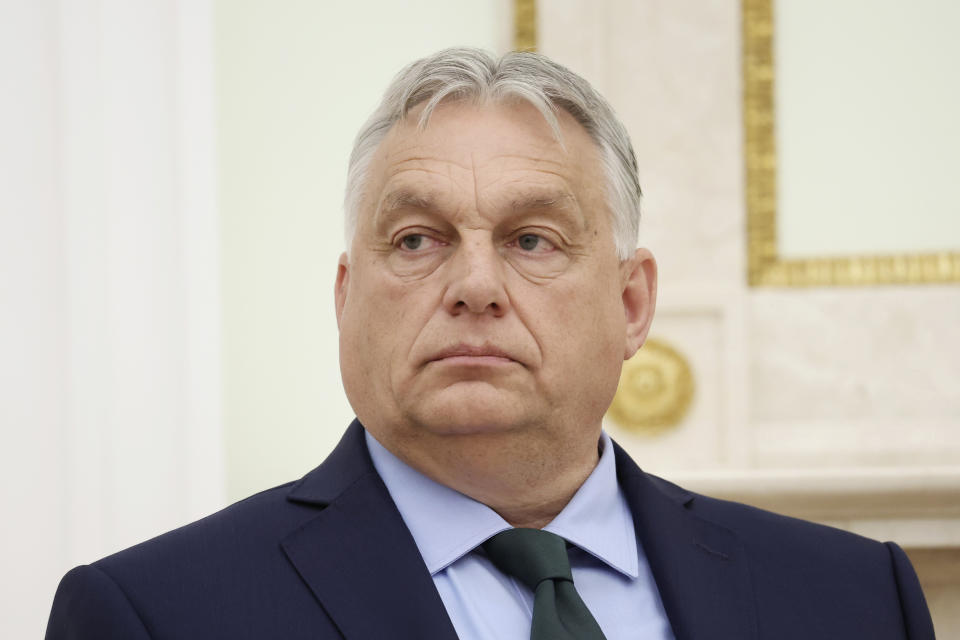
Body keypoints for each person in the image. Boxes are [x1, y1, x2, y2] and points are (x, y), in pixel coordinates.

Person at [46, 48, 934, 640]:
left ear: (631, 304)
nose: (474, 285)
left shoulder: (856, 601)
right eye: (417, 240)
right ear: (346, 298)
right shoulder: (155, 616)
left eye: (533, 240)